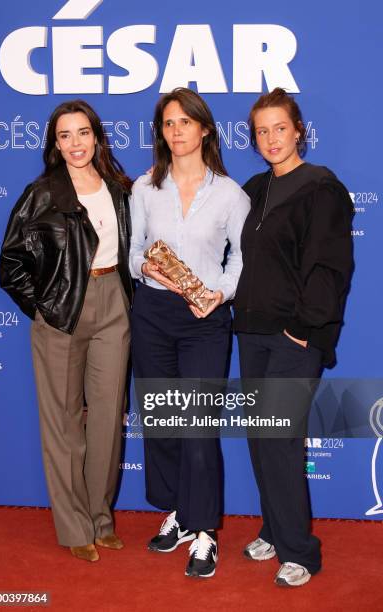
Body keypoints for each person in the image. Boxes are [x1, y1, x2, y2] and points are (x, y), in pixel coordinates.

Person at [0, 100, 132, 563]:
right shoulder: (42, 193)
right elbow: (11, 263)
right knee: (63, 423)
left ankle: (100, 518)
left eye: (83, 133)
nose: (75, 143)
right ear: (55, 144)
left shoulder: (118, 189)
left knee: (108, 420)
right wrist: (44, 308)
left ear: (96, 136)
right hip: (61, 314)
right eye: (65, 135)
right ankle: (75, 526)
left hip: (113, 299)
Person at [234, 88, 354, 586]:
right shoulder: (256, 187)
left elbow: (330, 266)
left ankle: (301, 551)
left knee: (279, 438)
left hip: (294, 336)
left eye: (279, 128)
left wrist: (307, 328)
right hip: (253, 330)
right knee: (261, 440)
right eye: (261, 131)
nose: (270, 138)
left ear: (298, 130)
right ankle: (275, 528)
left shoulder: (320, 187)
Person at [129, 87, 250, 578]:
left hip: (205, 321)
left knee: (198, 428)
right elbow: (134, 251)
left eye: (185, 122)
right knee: (161, 423)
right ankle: (179, 513)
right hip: (153, 315)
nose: (176, 131)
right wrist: (145, 269)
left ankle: (205, 532)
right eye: (168, 123)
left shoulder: (229, 193)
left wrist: (220, 292)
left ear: (204, 129)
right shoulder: (143, 188)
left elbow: (241, 258)